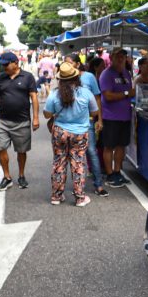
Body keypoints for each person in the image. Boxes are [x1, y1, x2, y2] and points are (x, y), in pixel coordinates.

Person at [44, 62, 99, 207]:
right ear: (76, 77)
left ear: (60, 79)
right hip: (80, 133)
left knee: (59, 162)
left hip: (60, 132)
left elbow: (47, 114)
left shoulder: (55, 94)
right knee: (78, 163)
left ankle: (56, 196)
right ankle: (80, 197)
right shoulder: (85, 93)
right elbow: (94, 112)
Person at [0, 51, 39, 191]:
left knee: (21, 151)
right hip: (3, 121)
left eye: (6, 64)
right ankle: (7, 177)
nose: (3, 67)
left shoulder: (28, 77)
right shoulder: (0, 78)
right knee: (1, 148)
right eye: (2, 65)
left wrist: (35, 117)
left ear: (16, 63)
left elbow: (34, 98)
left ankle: (21, 175)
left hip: (22, 121)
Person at [98, 48, 134, 187]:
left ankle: (117, 172)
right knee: (109, 146)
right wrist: (127, 93)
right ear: (112, 57)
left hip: (125, 116)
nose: (121, 59)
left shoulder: (126, 73)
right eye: (118, 56)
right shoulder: (106, 74)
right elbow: (107, 95)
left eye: (123, 56)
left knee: (121, 146)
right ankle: (110, 174)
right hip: (110, 117)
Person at [79, 60, 108, 197]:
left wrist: (99, 119)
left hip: (87, 121)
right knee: (73, 155)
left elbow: (97, 99)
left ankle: (98, 184)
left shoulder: (89, 77)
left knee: (91, 151)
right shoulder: (64, 79)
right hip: (68, 124)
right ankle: (75, 186)